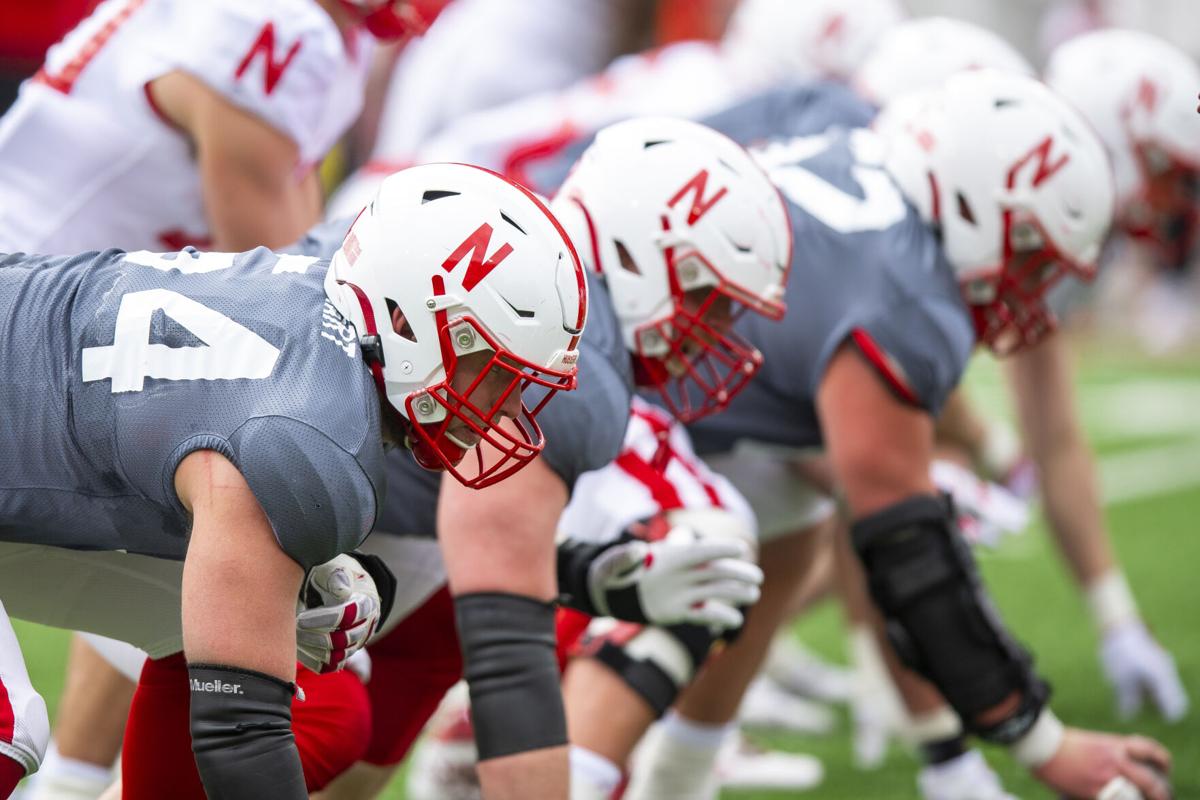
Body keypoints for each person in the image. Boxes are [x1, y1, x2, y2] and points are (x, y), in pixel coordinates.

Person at [572, 71, 1174, 800]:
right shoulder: (905, 291)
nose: (1030, 289)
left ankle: (675, 780)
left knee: (788, 525)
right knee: (703, 557)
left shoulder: (869, 173)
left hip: (619, 357)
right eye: (1029, 254)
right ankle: (567, 770)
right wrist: (1044, 743)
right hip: (588, 369)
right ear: (976, 205)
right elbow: (906, 554)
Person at [0, 162, 587, 799]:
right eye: (494, 369)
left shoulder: (319, 329)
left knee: (302, 692)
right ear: (413, 325)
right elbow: (241, 738)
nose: (503, 408)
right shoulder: (313, 430)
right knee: (8, 727)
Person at [0, 3, 446, 793]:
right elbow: (292, 309)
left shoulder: (292, 27)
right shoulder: (279, 29)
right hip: (41, 328)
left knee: (303, 686)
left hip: (86, 342)